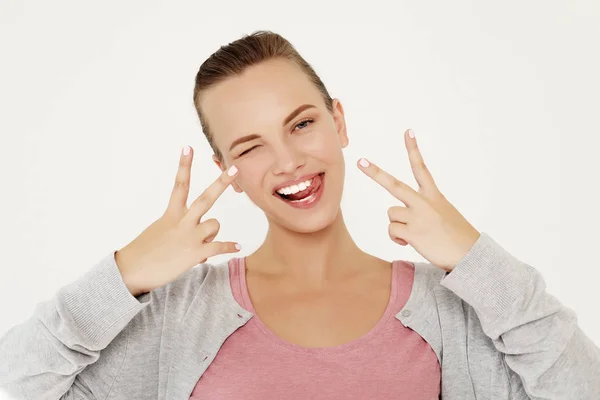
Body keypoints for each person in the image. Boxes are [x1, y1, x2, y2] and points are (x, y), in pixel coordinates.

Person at [1, 30, 599, 400]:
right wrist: (125, 273)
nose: (287, 161)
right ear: (224, 167)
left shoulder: (446, 308)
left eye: (302, 123)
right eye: (251, 145)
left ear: (338, 120)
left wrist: (477, 260)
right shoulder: (180, 314)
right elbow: (18, 382)